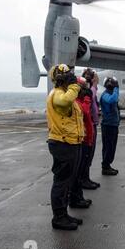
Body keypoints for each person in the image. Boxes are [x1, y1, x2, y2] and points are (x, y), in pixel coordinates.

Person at [46, 64, 84, 231]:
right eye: (68, 76)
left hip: (71, 142)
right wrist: (74, 85)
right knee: (61, 182)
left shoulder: (66, 93)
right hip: (62, 143)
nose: (71, 78)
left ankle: (64, 214)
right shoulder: (58, 94)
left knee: (67, 181)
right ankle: (58, 217)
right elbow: (64, 101)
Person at [67, 77, 94, 209]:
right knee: (77, 172)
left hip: (86, 138)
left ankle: (78, 197)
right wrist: (87, 99)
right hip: (81, 139)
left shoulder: (80, 99)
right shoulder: (76, 101)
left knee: (82, 169)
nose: (84, 89)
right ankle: (74, 199)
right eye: (82, 86)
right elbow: (84, 112)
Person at [80, 68, 101, 189]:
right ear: (93, 79)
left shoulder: (90, 90)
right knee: (88, 154)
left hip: (91, 124)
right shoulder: (90, 91)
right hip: (90, 126)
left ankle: (86, 178)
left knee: (89, 154)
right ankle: (84, 179)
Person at [100, 76, 120, 176]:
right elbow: (113, 100)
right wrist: (117, 88)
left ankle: (108, 165)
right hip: (108, 126)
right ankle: (105, 167)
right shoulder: (105, 95)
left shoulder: (111, 94)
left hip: (113, 125)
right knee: (108, 147)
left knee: (112, 147)